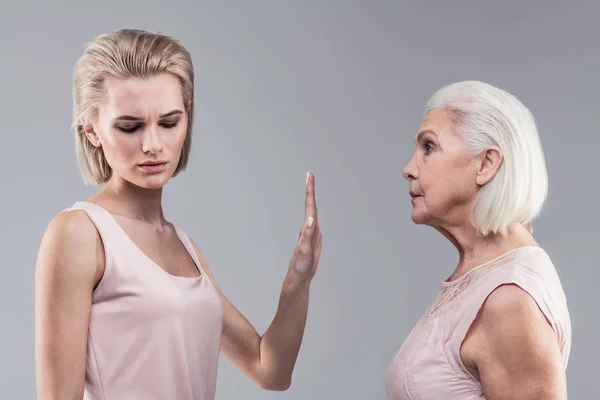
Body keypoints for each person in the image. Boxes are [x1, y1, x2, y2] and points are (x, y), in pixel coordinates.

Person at [34, 29, 322, 400]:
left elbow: (270, 370)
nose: (153, 145)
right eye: (129, 126)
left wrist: (298, 282)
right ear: (91, 130)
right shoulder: (78, 234)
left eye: (169, 123)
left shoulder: (184, 246)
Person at [386, 80, 571, 399]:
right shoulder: (483, 274)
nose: (408, 169)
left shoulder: (510, 300)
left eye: (428, 147)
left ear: (486, 164)